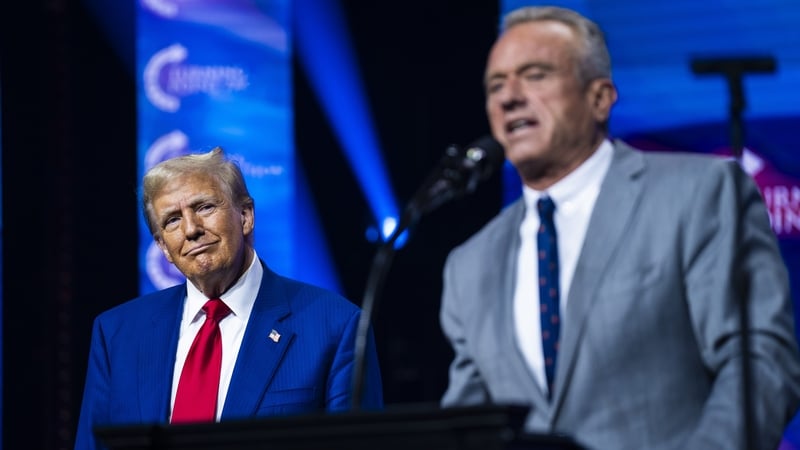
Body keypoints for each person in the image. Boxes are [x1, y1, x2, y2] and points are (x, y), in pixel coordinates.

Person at [439, 5, 800, 449]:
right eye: (496, 85)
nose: (508, 96)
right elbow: (467, 426)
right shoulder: (469, 266)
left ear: (600, 98)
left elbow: (760, 363)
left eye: (535, 76)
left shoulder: (700, 192)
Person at [75, 148, 383, 450]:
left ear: (246, 216)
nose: (191, 229)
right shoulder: (117, 334)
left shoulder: (334, 326)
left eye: (205, 207)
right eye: (172, 220)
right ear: (163, 248)